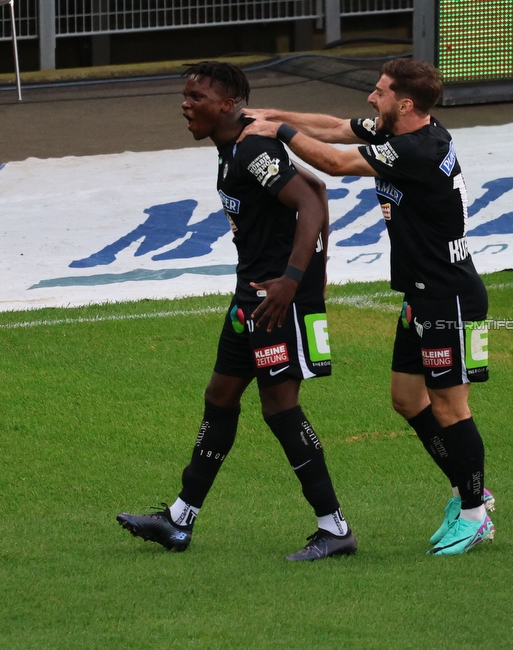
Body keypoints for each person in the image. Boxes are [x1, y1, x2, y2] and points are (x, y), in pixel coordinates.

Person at [239, 58, 495, 556]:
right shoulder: (396, 129)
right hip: (421, 296)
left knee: (450, 407)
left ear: (405, 104)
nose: (369, 100)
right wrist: (269, 113)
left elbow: (335, 163)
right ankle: (470, 488)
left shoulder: (417, 149)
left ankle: (474, 511)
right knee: (407, 399)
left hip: (450, 298)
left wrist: (281, 130)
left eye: (378, 92)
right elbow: (335, 129)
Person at [117, 61, 357, 562]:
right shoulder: (232, 149)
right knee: (220, 396)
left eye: (196, 97)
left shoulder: (251, 148)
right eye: (185, 96)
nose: (185, 104)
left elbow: (309, 206)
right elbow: (316, 190)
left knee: (280, 408)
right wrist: (318, 268)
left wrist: (296, 282)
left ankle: (335, 528)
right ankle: (179, 520)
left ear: (228, 104)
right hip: (251, 296)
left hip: (274, 298)